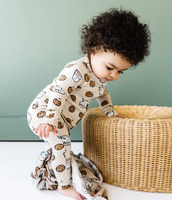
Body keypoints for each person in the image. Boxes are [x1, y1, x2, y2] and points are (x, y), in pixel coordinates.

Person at [27, 8, 151, 200]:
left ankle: (51, 163)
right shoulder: (76, 69)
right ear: (93, 50)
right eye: (110, 68)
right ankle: (64, 185)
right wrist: (49, 120)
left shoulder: (99, 77)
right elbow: (58, 93)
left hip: (60, 118)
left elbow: (102, 93)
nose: (114, 75)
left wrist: (111, 113)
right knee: (62, 145)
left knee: (60, 145)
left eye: (120, 72)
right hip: (46, 112)